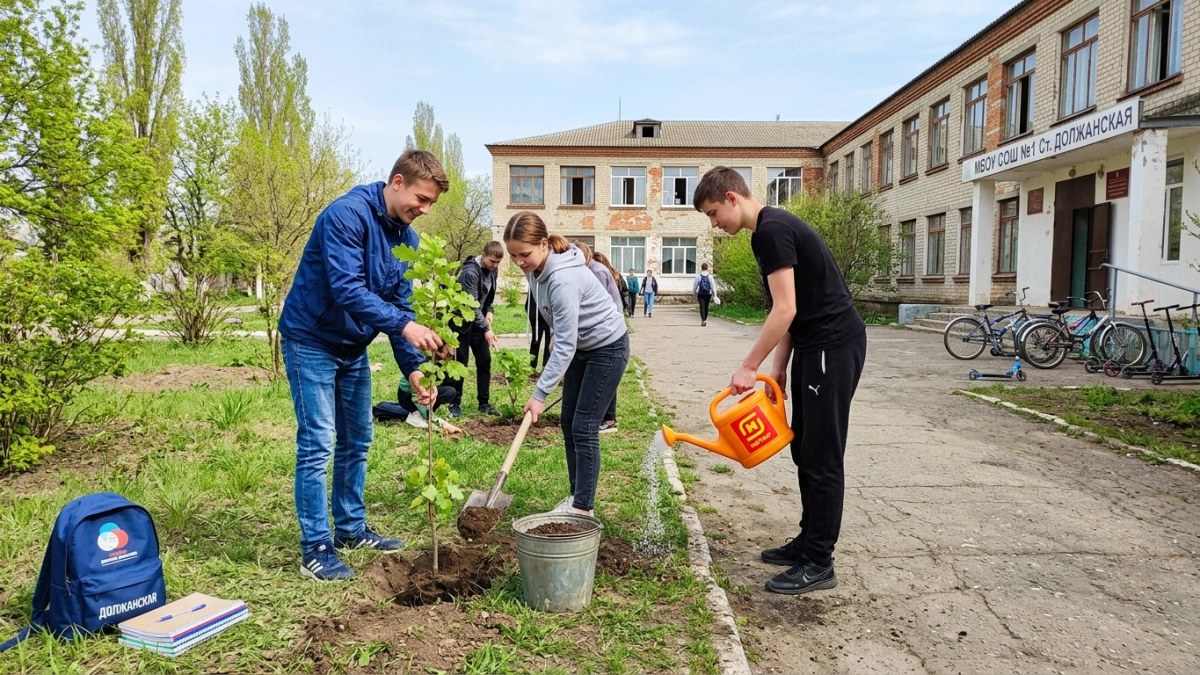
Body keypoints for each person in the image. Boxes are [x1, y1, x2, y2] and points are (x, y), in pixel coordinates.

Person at [694, 166, 866, 596]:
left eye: (714, 213)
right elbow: (788, 307)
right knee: (804, 447)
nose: (714, 224)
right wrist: (778, 369)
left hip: (831, 345)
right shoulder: (766, 232)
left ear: (733, 197)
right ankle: (809, 541)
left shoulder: (771, 230)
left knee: (822, 455)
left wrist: (749, 365)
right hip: (814, 347)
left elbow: (784, 309)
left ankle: (819, 562)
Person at [278, 149, 449, 581]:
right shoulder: (346, 216)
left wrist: (412, 370)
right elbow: (347, 289)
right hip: (311, 339)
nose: (424, 210)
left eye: (431, 203)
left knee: (357, 440)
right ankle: (315, 548)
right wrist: (407, 326)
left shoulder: (406, 241)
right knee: (318, 442)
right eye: (421, 198)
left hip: (352, 347)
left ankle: (351, 529)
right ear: (397, 182)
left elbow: (400, 305)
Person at [503, 212, 629, 516]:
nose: (519, 262)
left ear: (544, 244)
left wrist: (539, 395)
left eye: (525, 254)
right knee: (568, 422)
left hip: (607, 347)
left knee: (584, 426)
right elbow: (560, 328)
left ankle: (583, 510)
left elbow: (565, 346)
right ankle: (576, 498)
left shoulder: (562, 278)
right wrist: (557, 331)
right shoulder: (535, 270)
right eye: (513, 255)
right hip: (581, 347)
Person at [446, 241, 504, 418]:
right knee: (460, 364)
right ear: (483, 255)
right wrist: (487, 329)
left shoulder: (493, 269)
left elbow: (487, 299)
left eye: (497, 263)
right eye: (492, 261)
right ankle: (454, 403)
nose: (494, 266)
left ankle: (484, 403)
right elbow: (471, 305)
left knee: (484, 361)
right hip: (462, 323)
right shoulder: (470, 272)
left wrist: (490, 312)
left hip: (478, 323)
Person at [584, 247, 626, 434]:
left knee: (606, 377)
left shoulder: (598, 272)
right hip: (603, 330)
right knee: (604, 378)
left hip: (608, 330)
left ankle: (608, 418)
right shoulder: (594, 271)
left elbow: (598, 304)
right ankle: (607, 417)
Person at [527, 289, 551, 370]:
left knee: (549, 338)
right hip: (536, 314)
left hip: (549, 314)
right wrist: (531, 313)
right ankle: (532, 365)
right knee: (536, 339)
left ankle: (546, 365)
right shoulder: (533, 280)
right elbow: (529, 302)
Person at [693, 262, 717, 326]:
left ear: (701, 268)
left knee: (702, 307)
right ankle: (705, 319)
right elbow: (713, 286)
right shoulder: (710, 277)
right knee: (706, 306)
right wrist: (715, 295)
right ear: (707, 268)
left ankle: (703, 320)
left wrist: (694, 292)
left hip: (700, 294)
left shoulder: (698, 276)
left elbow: (695, 285)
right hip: (708, 294)